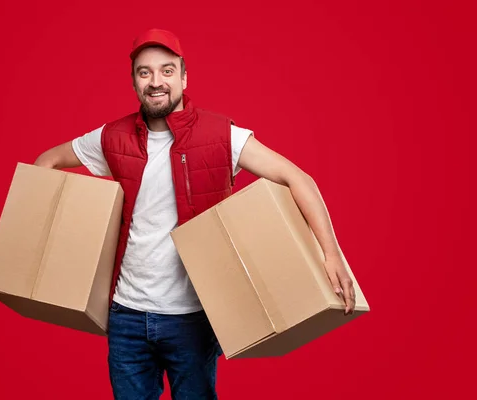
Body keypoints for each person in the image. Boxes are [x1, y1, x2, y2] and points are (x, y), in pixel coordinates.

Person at [34, 28, 356, 400]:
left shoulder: (223, 135)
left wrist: (331, 255)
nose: (156, 82)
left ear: (184, 78)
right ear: (135, 82)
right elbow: (48, 160)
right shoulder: (111, 137)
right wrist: (52, 233)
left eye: (167, 71)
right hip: (126, 316)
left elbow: (297, 179)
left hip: (192, 317)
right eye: (145, 72)